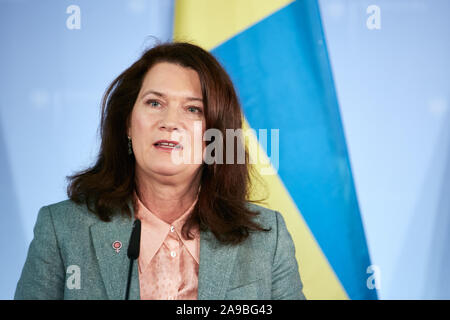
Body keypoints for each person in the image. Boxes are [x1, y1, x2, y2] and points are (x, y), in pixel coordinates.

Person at [14, 42, 306, 300]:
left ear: (216, 134)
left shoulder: (268, 239)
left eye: (193, 109)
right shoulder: (62, 229)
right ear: (127, 123)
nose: (170, 122)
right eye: (155, 103)